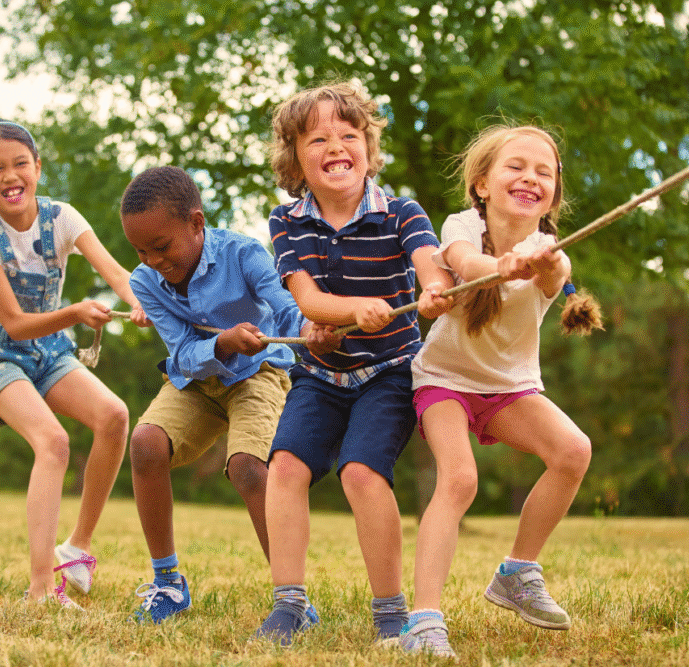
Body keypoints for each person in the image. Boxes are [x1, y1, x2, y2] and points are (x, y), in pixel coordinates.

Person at [252, 82, 454, 648]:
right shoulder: (287, 220)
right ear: (295, 158)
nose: (335, 146)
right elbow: (308, 299)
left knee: (362, 474)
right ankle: (289, 604)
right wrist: (350, 309)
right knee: (285, 468)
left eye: (349, 134)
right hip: (321, 374)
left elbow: (429, 263)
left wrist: (436, 288)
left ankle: (391, 612)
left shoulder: (400, 211)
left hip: (389, 371)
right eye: (317, 138)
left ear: (368, 146)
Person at [404, 124, 602, 659]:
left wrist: (538, 264)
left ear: (554, 194)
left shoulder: (551, 250)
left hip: (509, 388)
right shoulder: (462, 224)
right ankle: (422, 620)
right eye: (516, 166)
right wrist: (499, 266)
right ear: (483, 184)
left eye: (544, 172)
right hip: (444, 381)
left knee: (573, 450)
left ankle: (517, 571)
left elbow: (554, 270)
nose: (530, 178)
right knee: (460, 479)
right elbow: (466, 263)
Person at [119, 166, 335, 624]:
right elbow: (180, 354)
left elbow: (285, 304)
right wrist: (221, 343)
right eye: (141, 250)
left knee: (248, 468)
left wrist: (310, 329)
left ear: (196, 224)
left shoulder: (244, 254)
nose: (154, 260)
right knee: (145, 444)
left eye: (162, 247)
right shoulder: (144, 282)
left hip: (259, 374)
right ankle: (168, 583)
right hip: (197, 381)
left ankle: (292, 600)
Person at [0, 118, 149, 608]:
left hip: (50, 349)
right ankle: (41, 587)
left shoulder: (62, 217)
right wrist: (77, 311)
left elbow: (115, 271)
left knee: (114, 415)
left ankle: (76, 550)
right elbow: (16, 322)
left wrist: (141, 301)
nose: (10, 175)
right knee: (54, 442)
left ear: (37, 168)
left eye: (20, 163)